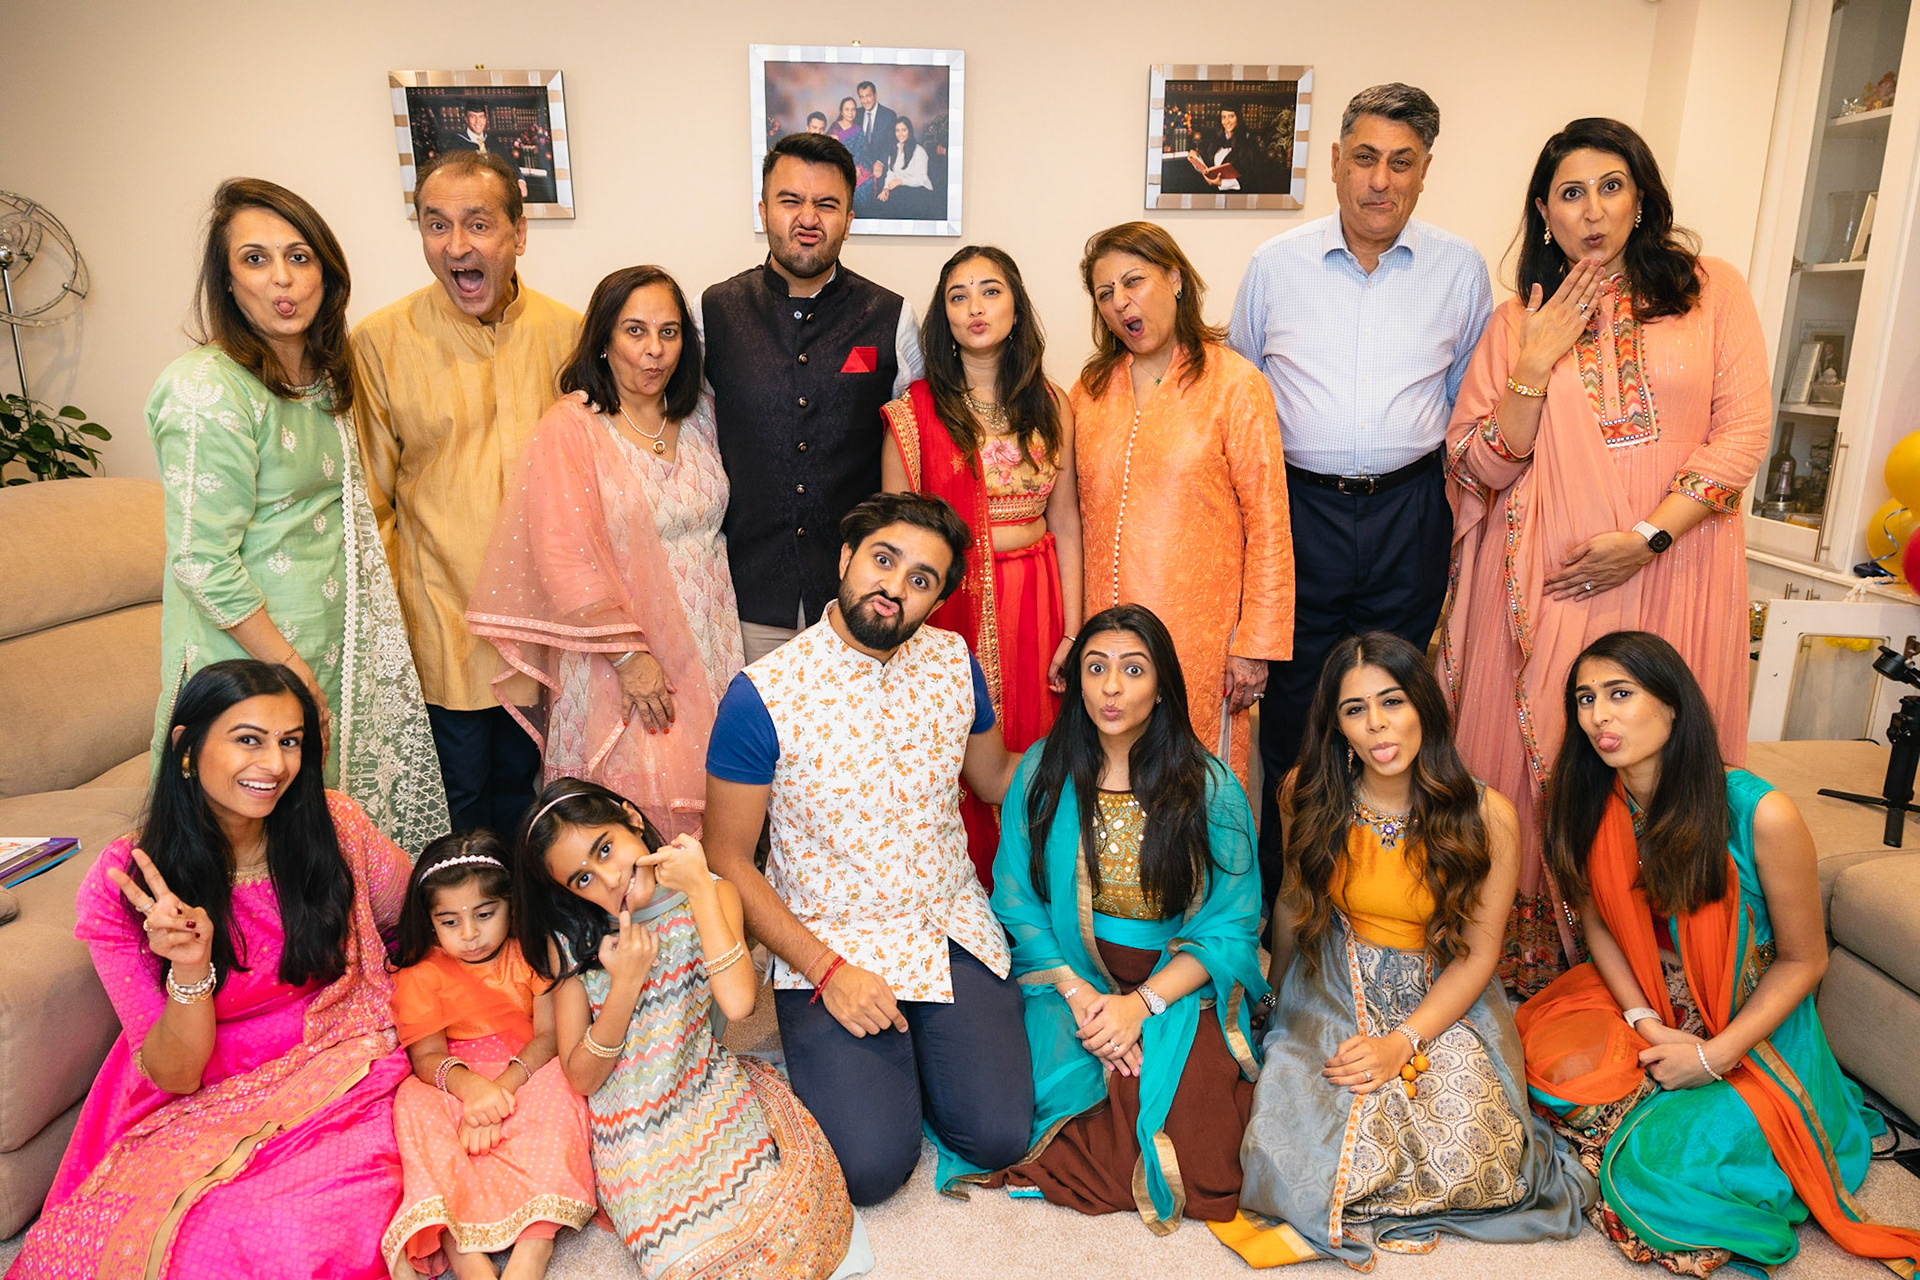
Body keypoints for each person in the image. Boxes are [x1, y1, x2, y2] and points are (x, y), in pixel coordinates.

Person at [1442, 118, 1770, 993]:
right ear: (1544, 214)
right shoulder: (1517, 322)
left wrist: (1647, 538)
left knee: (1664, 755)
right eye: (1571, 194)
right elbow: (1478, 465)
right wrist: (1534, 362)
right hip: (1549, 589)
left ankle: (1674, 976)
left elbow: (1742, 435)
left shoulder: (1711, 293)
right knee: (1550, 758)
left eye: (1611, 186)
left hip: (1676, 571)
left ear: (1643, 198)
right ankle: (1539, 981)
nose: (1592, 210)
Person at [1516, 631, 1920, 1274]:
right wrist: (1645, 1020)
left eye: (1620, 694)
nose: (1598, 717)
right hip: (1649, 992)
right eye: (1585, 699)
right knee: (1547, 1060)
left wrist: (1713, 1056)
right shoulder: (1589, 797)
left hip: (1748, 1016)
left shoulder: (1761, 813)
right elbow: (1598, 925)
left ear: (1673, 705)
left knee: (1663, 1167)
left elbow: (1804, 960)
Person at [6, 661, 413, 1279]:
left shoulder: (334, 828)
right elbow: (176, 1072)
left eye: (290, 741)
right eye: (248, 739)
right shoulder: (125, 885)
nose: (274, 764)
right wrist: (191, 967)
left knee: (283, 1232)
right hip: (196, 1078)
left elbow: (418, 918)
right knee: (147, 1237)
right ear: (187, 747)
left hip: (343, 1053)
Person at [703, 492, 1034, 1205]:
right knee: (871, 1168)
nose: (894, 586)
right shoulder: (762, 693)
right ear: (847, 557)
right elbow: (726, 857)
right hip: (832, 940)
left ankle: (925, 1052)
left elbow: (993, 778)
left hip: (947, 923)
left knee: (999, 1136)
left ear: (937, 599)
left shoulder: (954, 663)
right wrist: (827, 972)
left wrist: (1100, 755)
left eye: (921, 578)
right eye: (884, 560)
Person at [1222, 633, 1592, 1268]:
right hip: (1333, 979)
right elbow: (1290, 903)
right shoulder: (1306, 793)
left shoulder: (1488, 816)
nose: (1376, 724)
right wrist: (1276, 1002)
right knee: (1301, 1144)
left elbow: (1478, 957)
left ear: (1424, 705)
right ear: (1337, 726)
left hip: (1442, 992)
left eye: (1392, 701)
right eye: (1355, 709)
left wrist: (1403, 1043)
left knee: (1474, 1148)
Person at [1230, 82, 1492, 914]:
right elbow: (1243, 395)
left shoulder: (1460, 269)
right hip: (1298, 512)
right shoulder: (1275, 265)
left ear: (1425, 171)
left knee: (1392, 711)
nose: (1382, 180)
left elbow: (1468, 399)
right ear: (1338, 162)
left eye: (1402, 163)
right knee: (1296, 715)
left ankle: (1377, 905)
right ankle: (1286, 911)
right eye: (1367, 159)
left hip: (1408, 512)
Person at [145, 178, 447, 856]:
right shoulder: (205, 390)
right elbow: (202, 560)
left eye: (299, 257)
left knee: (317, 850)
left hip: (325, 651)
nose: (281, 279)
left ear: (326, 275)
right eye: (255, 259)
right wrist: (291, 673)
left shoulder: (322, 379)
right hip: (249, 665)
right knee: (243, 855)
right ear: (227, 281)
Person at [951, 605, 1266, 1234]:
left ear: (1162, 685)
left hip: (1176, 977)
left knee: (1204, 1152)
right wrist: (1082, 997)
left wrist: (1140, 1006)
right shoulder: (1041, 771)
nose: (1112, 688)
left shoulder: (1209, 787)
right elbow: (1016, 899)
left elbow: (1232, 924)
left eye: (1133, 669)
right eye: (1096, 669)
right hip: (1066, 975)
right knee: (1029, 1112)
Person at [515, 778, 866, 1279]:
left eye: (606, 849)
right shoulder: (571, 940)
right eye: (583, 878)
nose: (608, 879)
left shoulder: (712, 893)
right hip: (629, 1129)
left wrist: (700, 886)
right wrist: (625, 986)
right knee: (685, 1264)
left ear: (631, 819)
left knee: (786, 1229)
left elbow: (739, 1003)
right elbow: (583, 1077)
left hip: (705, 1090)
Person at [467, 265, 743, 843]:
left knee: (716, 816)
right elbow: (560, 555)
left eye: (669, 332)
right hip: (617, 659)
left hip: (710, 643)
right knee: (628, 824)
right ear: (603, 340)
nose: (654, 350)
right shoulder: (573, 426)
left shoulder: (701, 416)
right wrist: (629, 658)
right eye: (635, 331)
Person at [353, 149, 583, 834]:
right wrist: (390, 637)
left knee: (537, 805)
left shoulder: (569, 335)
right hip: (442, 626)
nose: (457, 246)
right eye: (437, 224)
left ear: (518, 233)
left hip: (545, 632)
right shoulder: (379, 342)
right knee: (458, 811)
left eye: (478, 224)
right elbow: (372, 504)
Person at [881, 245, 1083, 888]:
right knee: (953, 749)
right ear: (942, 316)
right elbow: (897, 541)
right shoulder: (915, 413)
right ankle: (961, 894)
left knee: (1037, 741)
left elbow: (1066, 521)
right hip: (951, 608)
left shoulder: (1052, 402)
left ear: (1017, 307)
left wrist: (1073, 630)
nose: (975, 307)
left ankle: (1034, 894)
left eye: (991, 291)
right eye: (958, 295)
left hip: (1038, 601)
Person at [1074, 221, 1293, 791]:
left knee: (1193, 791)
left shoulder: (1234, 384)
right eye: (1104, 293)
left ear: (1174, 279)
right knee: (1113, 784)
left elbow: (1269, 522)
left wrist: (1255, 646)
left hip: (1200, 643)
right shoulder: (1089, 390)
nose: (1120, 303)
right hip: (1107, 644)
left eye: (1133, 281)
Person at [701, 131, 924, 663]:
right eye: (790, 201)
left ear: (849, 219)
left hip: (859, 603)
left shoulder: (892, 318)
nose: (808, 218)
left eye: (826, 204)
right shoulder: (713, 313)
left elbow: (917, 448)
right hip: (743, 598)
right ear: (763, 211)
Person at [382, 831, 595, 1280]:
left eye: (484, 914)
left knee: (564, 1085)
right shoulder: (421, 972)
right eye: (450, 921)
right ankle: (463, 1252)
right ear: (430, 921)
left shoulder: (532, 952)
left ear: (512, 905)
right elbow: (427, 1056)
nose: (470, 934)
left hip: (526, 1070)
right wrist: (474, 1091)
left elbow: (549, 1037)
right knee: (411, 1102)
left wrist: (499, 1091)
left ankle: (534, 1246)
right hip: (455, 1077)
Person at [875, 117, 934, 218]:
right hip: (902, 189)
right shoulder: (894, 149)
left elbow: (922, 179)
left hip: (920, 191)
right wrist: (886, 188)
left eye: (904, 130)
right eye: (897, 130)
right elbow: (890, 173)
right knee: (882, 202)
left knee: (900, 204)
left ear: (909, 131)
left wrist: (901, 181)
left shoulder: (919, 151)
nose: (900, 134)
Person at [1190, 105, 1254, 191]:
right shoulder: (1216, 139)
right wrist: (1197, 158)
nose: (1227, 121)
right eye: (1224, 117)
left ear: (1238, 118)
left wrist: (1221, 183)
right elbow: (1208, 168)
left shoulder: (1248, 142)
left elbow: (1250, 177)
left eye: (1231, 116)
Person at [851, 80, 896, 168]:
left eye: (868, 96)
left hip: (881, 167)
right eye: (862, 97)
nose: (865, 101)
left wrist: (881, 162)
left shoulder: (889, 115)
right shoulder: (856, 114)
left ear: (875, 95)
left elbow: (891, 143)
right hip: (859, 167)